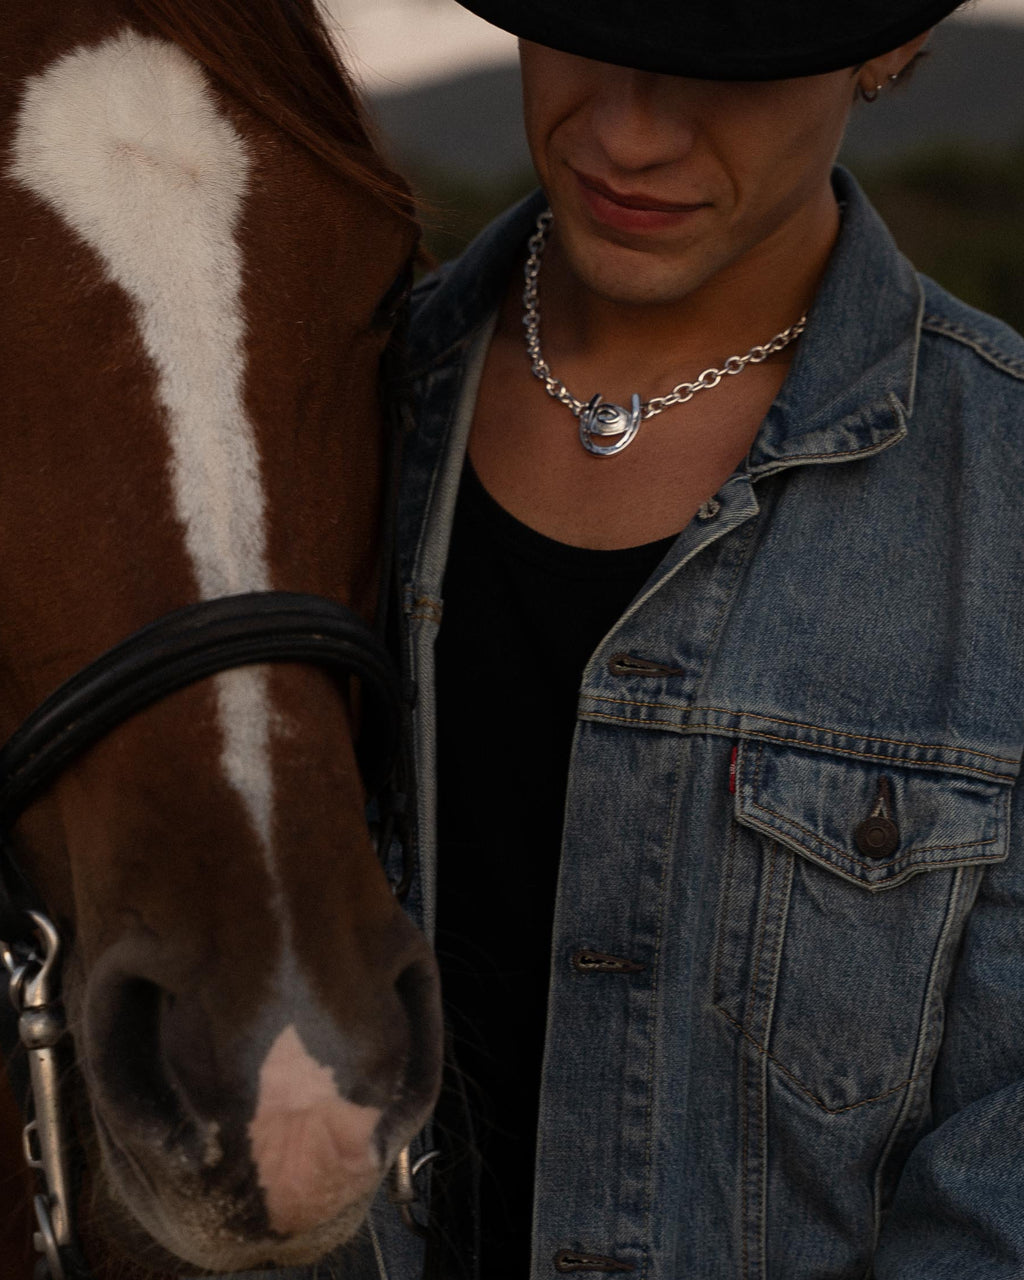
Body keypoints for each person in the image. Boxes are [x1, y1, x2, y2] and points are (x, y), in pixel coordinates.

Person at [389, 2, 1024, 1278]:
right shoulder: (311, 421)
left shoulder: (1001, 493)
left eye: (725, 66)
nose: (627, 134)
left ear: (887, 49)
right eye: (583, 32)